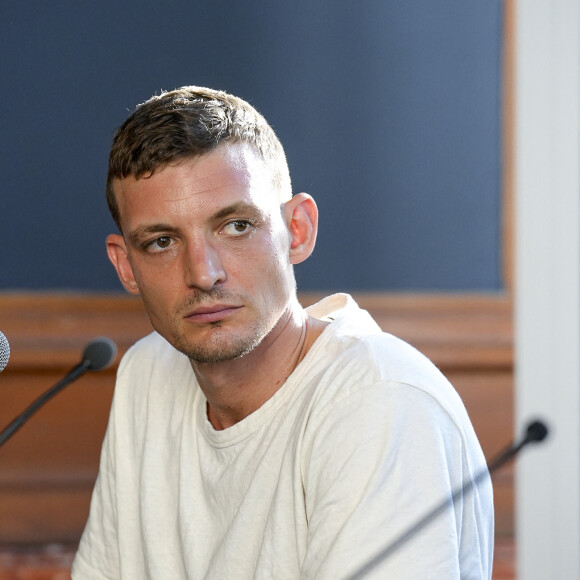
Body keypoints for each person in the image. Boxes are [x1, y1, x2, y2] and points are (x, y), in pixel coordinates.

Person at [72, 86, 494, 579]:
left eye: (235, 226)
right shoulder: (147, 374)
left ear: (297, 230)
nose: (203, 274)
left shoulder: (381, 400)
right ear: (126, 266)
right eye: (162, 241)